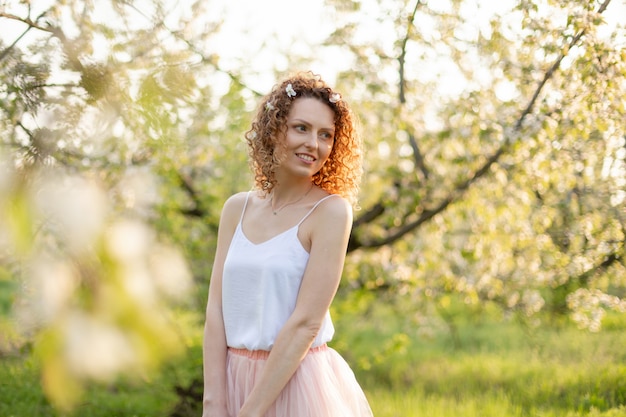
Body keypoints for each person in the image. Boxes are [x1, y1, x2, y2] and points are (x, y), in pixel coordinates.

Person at [202, 71, 373, 417]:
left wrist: (251, 412)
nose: (314, 143)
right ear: (274, 129)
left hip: (297, 382)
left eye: (326, 135)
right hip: (232, 379)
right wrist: (214, 402)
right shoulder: (237, 208)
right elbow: (215, 311)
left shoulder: (331, 212)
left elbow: (306, 323)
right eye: (301, 128)